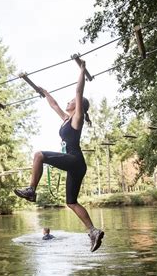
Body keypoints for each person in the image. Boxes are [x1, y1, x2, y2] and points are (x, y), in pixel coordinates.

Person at [13, 60, 104, 252]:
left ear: (78, 106)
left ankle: (31, 190)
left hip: (75, 160)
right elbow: (54, 105)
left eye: (71, 101)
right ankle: (93, 231)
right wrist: (44, 92)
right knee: (71, 202)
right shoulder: (65, 119)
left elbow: (79, 92)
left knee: (39, 155)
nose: (69, 101)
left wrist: (81, 70)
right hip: (77, 165)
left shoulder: (77, 118)